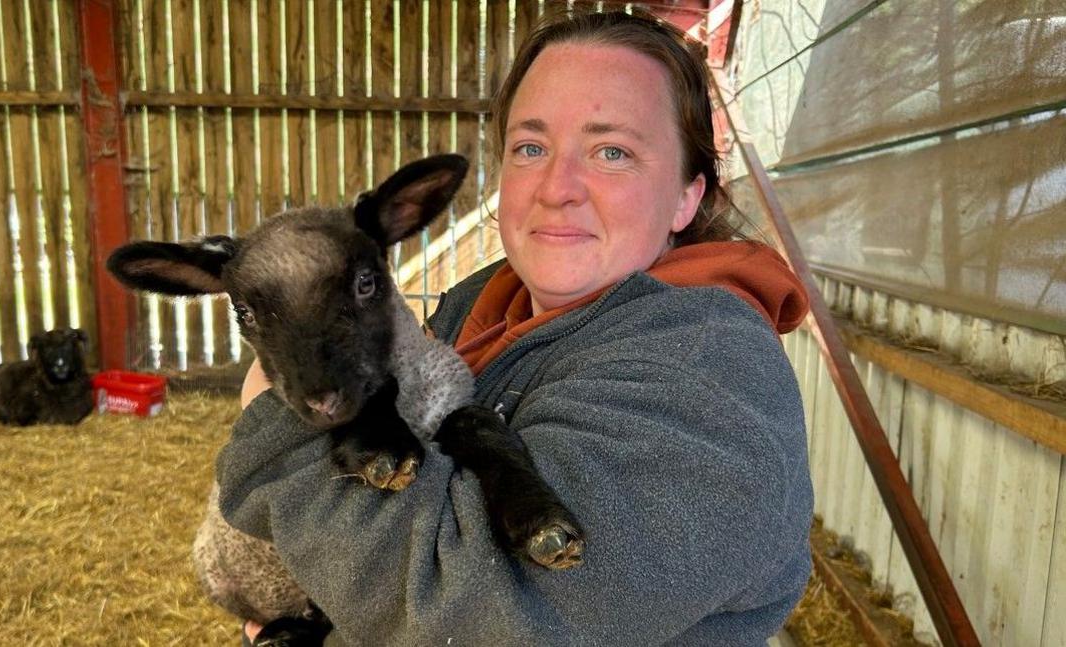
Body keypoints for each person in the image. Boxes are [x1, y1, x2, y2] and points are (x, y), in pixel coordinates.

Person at [230, 9, 812, 646]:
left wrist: (277, 416)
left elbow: (472, 615)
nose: (557, 187)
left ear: (687, 195)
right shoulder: (482, 307)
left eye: (612, 152)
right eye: (531, 147)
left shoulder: (711, 377)